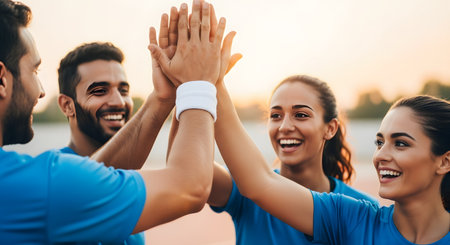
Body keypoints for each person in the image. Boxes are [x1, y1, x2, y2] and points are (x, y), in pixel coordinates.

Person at [0, 0, 228, 243]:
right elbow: (189, 187)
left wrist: (163, 98)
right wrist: (198, 83)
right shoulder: (48, 186)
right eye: (34, 71)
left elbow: (91, 179)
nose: (41, 90)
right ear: (2, 80)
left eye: (123, 89)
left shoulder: (48, 186)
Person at [213, 69, 450, 245]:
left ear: (445, 161)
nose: (380, 156)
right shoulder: (349, 217)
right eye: (379, 142)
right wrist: (211, 81)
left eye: (400, 143)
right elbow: (258, 182)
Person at [207, 75, 378, 244]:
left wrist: (215, 81)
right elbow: (193, 171)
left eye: (301, 115)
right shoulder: (242, 186)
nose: (284, 127)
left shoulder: (362, 211)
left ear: (330, 128)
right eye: (275, 116)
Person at [56, 42, 145, 244]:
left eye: (123, 91)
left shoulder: (128, 175)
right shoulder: (57, 176)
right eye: (100, 91)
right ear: (67, 105)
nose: (119, 102)